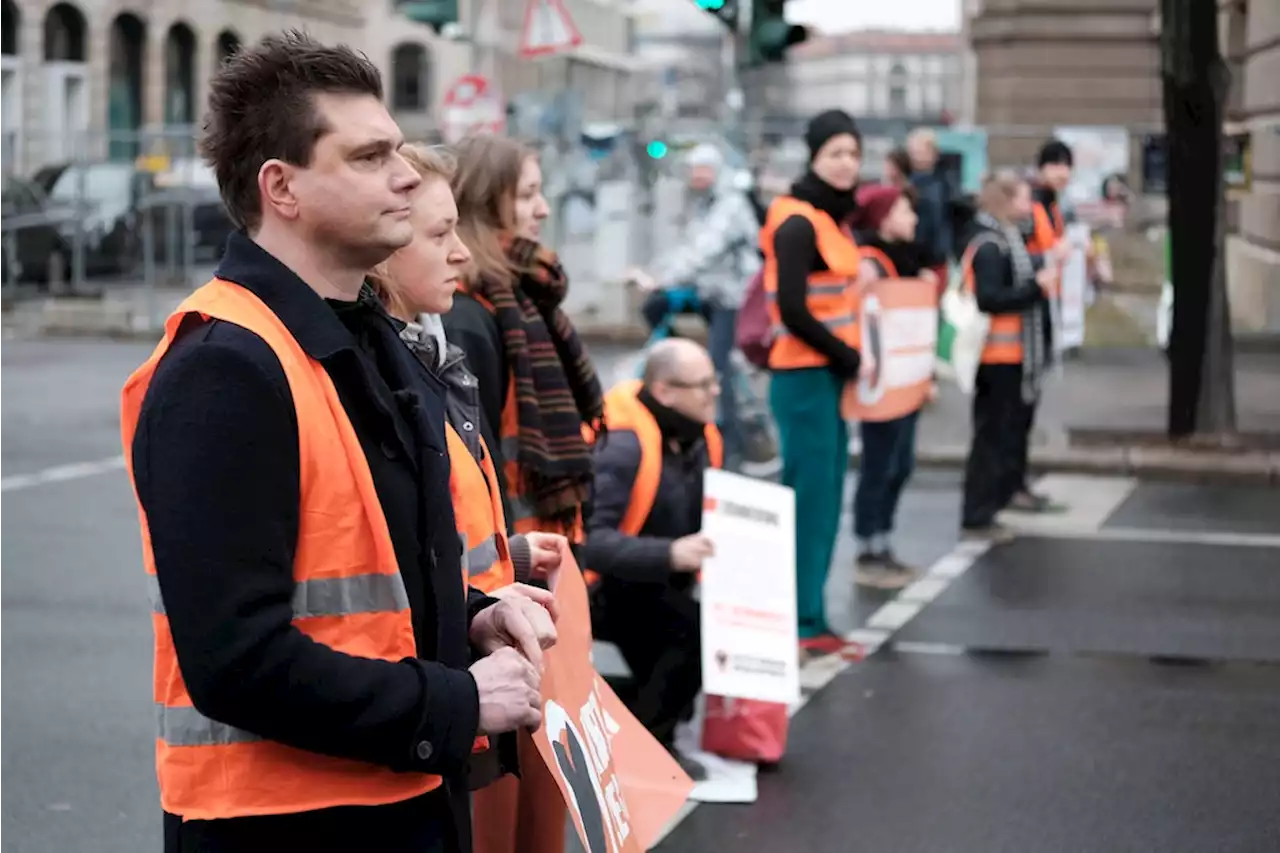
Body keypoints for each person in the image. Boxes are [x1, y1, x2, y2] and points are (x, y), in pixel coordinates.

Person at [120, 33, 554, 853]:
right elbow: (236, 660)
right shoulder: (225, 366)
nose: (404, 174)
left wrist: (473, 618)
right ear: (280, 187)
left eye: (396, 148)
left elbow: (362, 583)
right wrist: (458, 703)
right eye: (368, 156)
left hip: (396, 806)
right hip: (282, 828)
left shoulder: (364, 341)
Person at [366, 141, 571, 853]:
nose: (459, 253)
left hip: (471, 651)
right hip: (435, 692)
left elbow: (441, 520)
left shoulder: (431, 346)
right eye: (437, 233)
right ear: (383, 243)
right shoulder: (418, 351)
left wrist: (501, 565)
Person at [443, 134, 604, 548]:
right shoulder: (468, 313)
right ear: (485, 201)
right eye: (528, 195)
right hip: (514, 550)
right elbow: (473, 453)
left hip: (546, 539)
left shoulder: (523, 296)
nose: (543, 209)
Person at [583, 338, 723, 779]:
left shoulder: (695, 437)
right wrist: (670, 554)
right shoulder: (623, 445)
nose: (714, 392)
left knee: (682, 656)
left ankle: (622, 717)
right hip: (598, 587)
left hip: (653, 581)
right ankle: (650, 751)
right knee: (690, 633)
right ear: (664, 392)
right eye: (702, 385)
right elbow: (587, 541)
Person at [761, 109, 865, 656]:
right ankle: (800, 620)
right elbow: (795, 308)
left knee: (824, 502)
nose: (847, 164)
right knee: (811, 503)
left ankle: (813, 614)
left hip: (822, 377)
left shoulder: (830, 218)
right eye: (836, 153)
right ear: (814, 157)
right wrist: (845, 354)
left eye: (853, 153)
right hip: (804, 378)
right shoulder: (800, 220)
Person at [632, 143, 762, 469]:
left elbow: (705, 249)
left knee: (717, 368)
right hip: (712, 293)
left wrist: (661, 278)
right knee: (655, 309)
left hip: (736, 298)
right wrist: (654, 273)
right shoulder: (705, 204)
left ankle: (727, 449)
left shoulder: (730, 205)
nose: (697, 176)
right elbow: (686, 246)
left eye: (704, 169)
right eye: (694, 169)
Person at [959, 170, 1058, 541]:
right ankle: (978, 513)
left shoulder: (1007, 238)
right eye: (1021, 197)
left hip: (1012, 356)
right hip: (996, 357)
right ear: (1003, 200)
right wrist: (1036, 289)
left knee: (1002, 434)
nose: (1028, 205)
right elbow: (990, 299)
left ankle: (992, 506)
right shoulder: (990, 244)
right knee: (990, 437)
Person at [849, 184, 931, 589]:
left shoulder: (905, 259)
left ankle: (882, 540)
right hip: (881, 383)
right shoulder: (869, 262)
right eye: (904, 211)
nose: (913, 219)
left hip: (905, 382)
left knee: (900, 464)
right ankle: (869, 546)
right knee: (880, 463)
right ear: (882, 218)